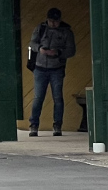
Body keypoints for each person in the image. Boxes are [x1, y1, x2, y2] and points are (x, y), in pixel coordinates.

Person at [28, 7, 76, 137]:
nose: (53, 24)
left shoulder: (66, 32)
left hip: (57, 68)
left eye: (55, 21)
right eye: (50, 21)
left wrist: (58, 53)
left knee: (58, 98)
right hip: (40, 67)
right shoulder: (40, 29)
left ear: (60, 21)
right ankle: (33, 125)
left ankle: (57, 125)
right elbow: (32, 43)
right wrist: (40, 49)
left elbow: (71, 50)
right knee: (38, 98)